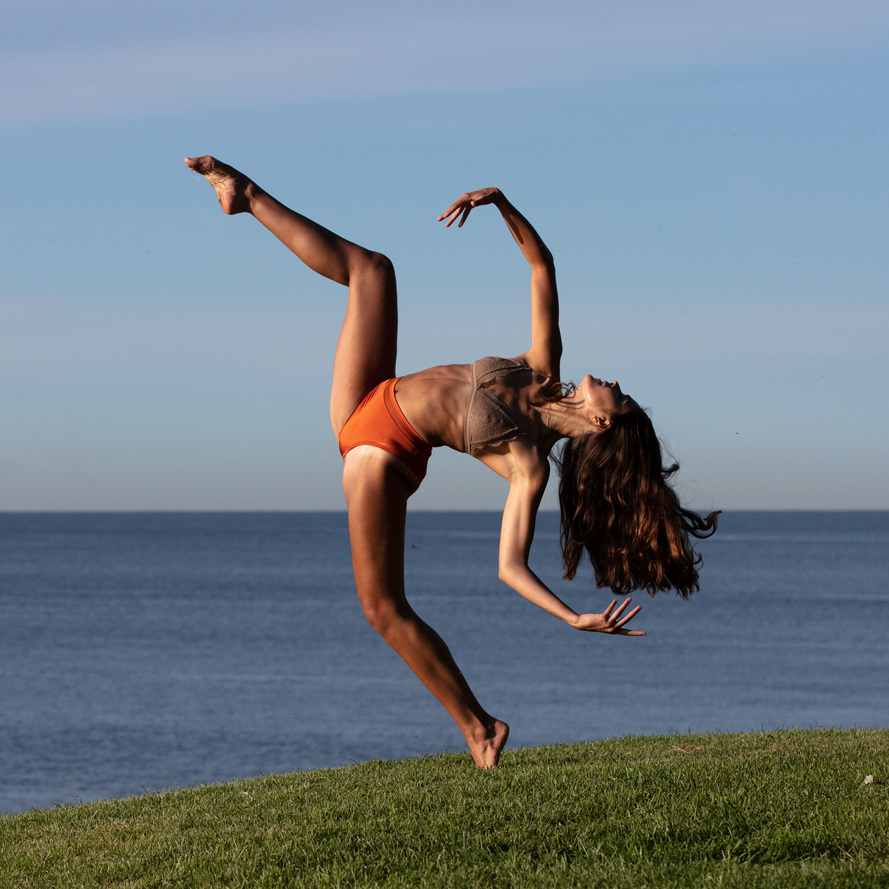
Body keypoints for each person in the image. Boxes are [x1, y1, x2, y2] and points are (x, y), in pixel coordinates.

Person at [184, 156, 719, 769]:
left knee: (382, 608)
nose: (615, 382)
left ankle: (480, 727)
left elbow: (509, 567)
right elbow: (541, 267)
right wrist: (501, 203)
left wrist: (572, 618)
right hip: (368, 399)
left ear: (602, 422)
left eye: (618, 397)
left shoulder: (530, 463)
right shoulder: (542, 365)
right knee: (374, 271)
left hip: (382, 453)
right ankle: (244, 194)